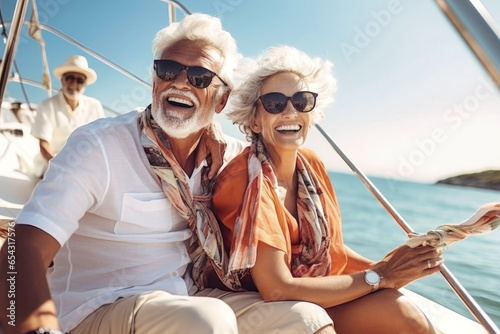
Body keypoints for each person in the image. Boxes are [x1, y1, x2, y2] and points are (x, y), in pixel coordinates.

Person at [0, 15, 334, 334]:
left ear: (222, 99)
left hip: (189, 297)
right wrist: (33, 328)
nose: (179, 82)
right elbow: (20, 247)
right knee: (208, 320)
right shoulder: (98, 147)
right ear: (155, 79)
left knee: (306, 319)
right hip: (96, 308)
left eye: (200, 77)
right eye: (168, 69)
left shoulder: (229, 160)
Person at [211, 45, 446, 334]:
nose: (289, 111)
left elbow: (333, 252)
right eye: (274, 103)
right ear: (254, 120)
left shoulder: (311, 165)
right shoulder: (244, 181)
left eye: (302, 101)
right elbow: (276, 289)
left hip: (306, 292)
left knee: (405, 315)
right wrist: (383, 274)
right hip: (261, 304)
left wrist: (401, 265)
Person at [30, 55, 104, 177]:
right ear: (62, 80)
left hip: (83, 167)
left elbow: (100, 141)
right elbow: (44, 145)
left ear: (85, 84)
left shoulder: (95, 106)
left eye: (80, 80)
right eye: (70, 78)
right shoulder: (46, 106)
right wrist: (61, 167)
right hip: (50, 164)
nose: (74, 84)